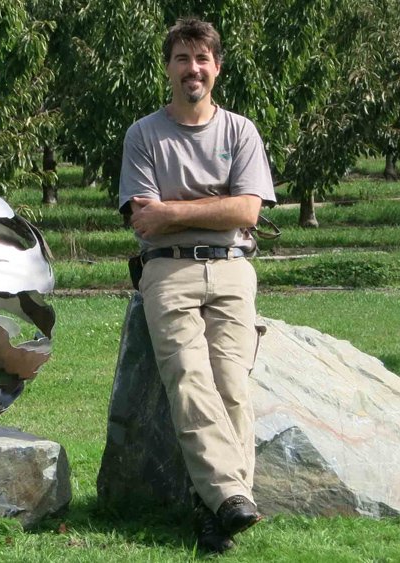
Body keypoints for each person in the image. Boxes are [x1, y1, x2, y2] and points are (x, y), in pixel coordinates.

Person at [117, 17, 277, 555]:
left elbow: (248, 210)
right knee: (189, 376)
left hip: (233, 267)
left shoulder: (240, 132)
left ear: (217, 67)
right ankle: (229, 500)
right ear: (168, 68)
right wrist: (214, 211)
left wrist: (176, 211)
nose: (193, 69)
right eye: (183, 59)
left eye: (202, 59)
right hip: (167, 270)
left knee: (232, 384)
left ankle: (219, 508)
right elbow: (145, 221)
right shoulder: (143, 135)